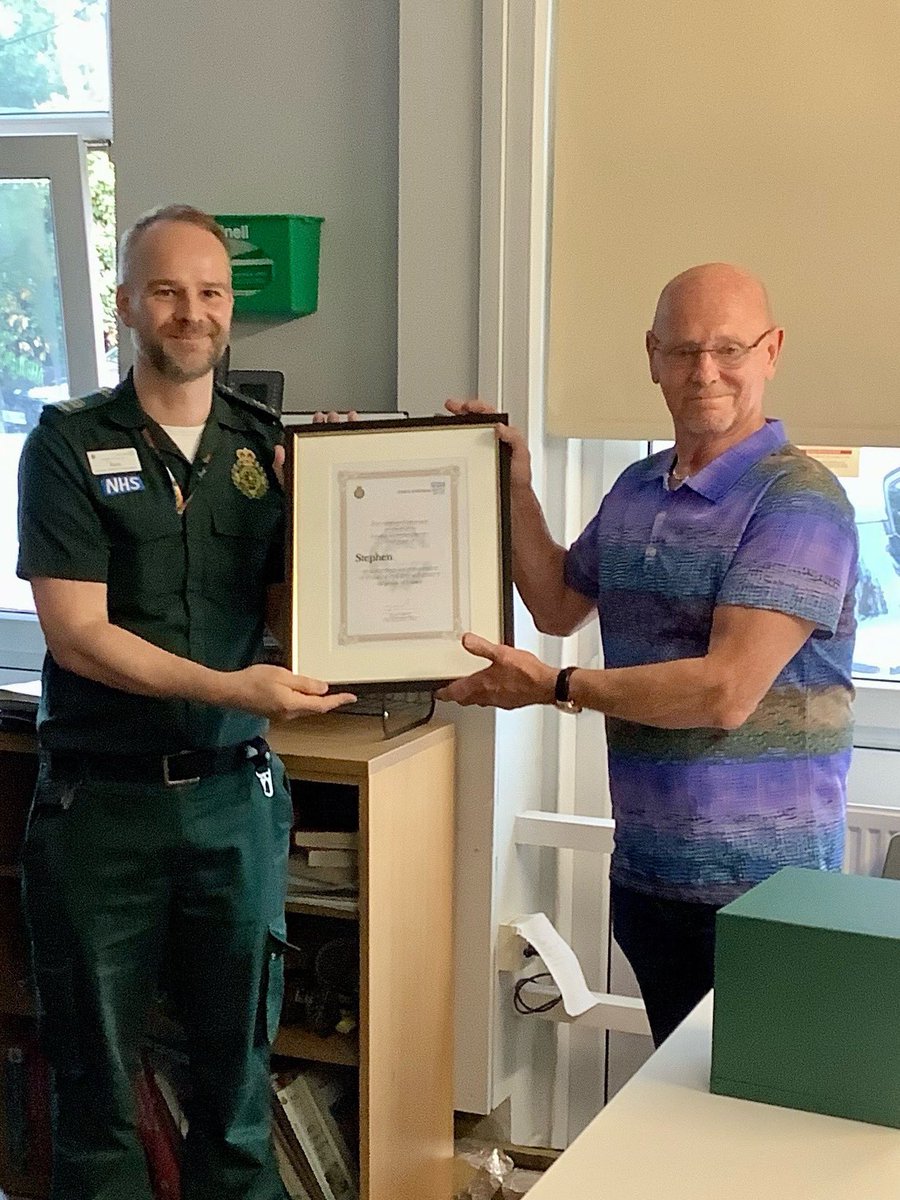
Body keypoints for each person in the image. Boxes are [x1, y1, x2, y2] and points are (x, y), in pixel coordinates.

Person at [16, 204, 356, 1200]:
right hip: (102, 809)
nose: (190, 312)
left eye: (210, 292)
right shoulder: (68, 443)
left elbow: (297, 616)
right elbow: (77, 633)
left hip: (232, 803)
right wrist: (230, 688)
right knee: (95, 1091)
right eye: (166, 290)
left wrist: (333, 506)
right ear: (127, 303)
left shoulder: (268, 449)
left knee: (237, 1089)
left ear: (230, 308)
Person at [440, 263, 858, 1046]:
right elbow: (556, 603)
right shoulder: (636, 490)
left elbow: (724, 692)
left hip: (767, 892)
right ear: (653, 357)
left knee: (755, 1103)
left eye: (730, 349)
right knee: (676, 1095)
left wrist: (557, 685)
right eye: (685, 350)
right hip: (650, 875)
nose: (705, 372)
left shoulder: (800, 500)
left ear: (771, 351)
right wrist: (513, 487)